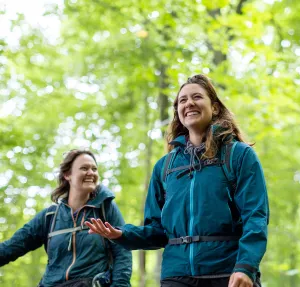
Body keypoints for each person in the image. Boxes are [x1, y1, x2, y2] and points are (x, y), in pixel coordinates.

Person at [86, 74, 269, 287]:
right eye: (182, 100)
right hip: (176, 276)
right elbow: (157, 232)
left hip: (226, 272)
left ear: (215, 108)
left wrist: (245, 266)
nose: (189, 103)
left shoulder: (239, 155)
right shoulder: (164, 167)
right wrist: (122, 234)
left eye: (197, 97)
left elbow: (255, 217)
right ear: (178, 113)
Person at [0, 149, 132, 287]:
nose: (91, 173)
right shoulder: (49, 217)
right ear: (67, 174)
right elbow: (11, 247)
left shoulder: (105, 209)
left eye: (94, 169)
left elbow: (123, 253)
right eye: (84, 168)